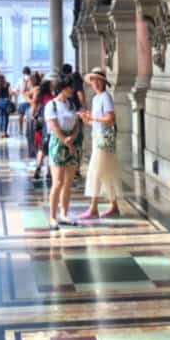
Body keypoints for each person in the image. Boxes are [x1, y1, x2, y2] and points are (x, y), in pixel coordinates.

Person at [79, 67, 121, 218]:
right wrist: (87, 120)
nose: (95, 83)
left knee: (95, 172)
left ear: (103, 82)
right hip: (98, 137)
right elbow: (97, 122)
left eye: (98, 80)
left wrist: (94, 118)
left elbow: (110, 118)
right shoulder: (96, 99)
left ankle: (93, 207)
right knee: (105, 172)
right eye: (93, 80)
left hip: (104, 139)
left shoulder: (105, 97)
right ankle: (114, 206)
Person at [44, 76, 81, 228]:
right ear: (63, 88)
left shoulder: (71, 104)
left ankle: (64, 213)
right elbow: (53, 126)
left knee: (68, 182)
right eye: (70, 87)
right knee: (58, 182)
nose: (72, 90)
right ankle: (52, 217)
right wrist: (66, 141)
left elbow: (76, 124)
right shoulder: (51, 105)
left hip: (71, 141)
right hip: (58, 144)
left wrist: (72, 138)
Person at [16, 66, 32, 135]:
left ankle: (20, 130)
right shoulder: (32, 79)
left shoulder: (20, 80)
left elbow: (16, 90)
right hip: (30, 100)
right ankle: (28, 129)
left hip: (22, 101)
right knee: (29, 116)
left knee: (20, 116)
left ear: (23, 72)